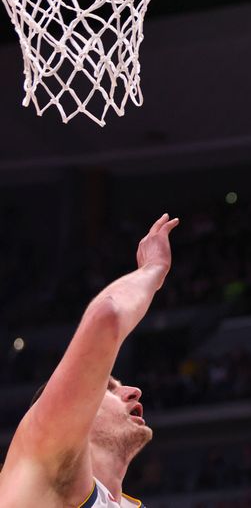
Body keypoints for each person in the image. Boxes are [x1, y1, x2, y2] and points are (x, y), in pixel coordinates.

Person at [0, 214, 179, 507]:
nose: (133, 391)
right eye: (109, 388)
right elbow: (106, 316)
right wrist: (154, 269)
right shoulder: (41, 462)